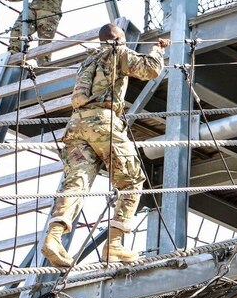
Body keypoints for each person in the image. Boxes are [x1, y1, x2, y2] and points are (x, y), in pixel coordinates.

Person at [41, 23, 169, 267]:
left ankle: (54, 237)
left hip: (76, 126)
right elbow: (149, 70)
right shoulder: (118, 52)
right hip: (103, 122)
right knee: (131, 179)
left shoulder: (87, 62)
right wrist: (157, 50)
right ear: (119, 39)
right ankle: (115, 243)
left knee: (77, 181)